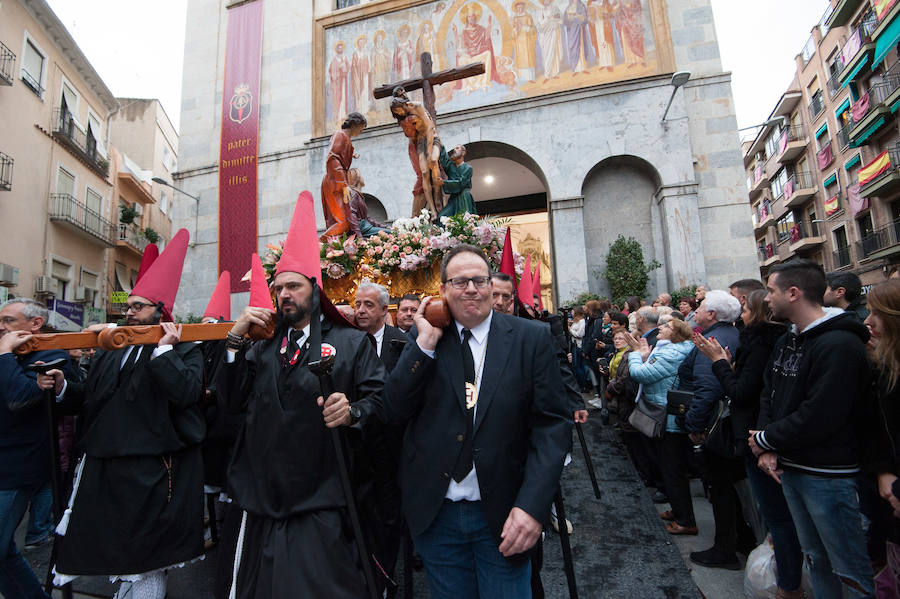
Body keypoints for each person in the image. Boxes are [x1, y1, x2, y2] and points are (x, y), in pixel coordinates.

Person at [352, 244, 572, 599]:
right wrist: (422, 345)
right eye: (460, 281)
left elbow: (551, 427)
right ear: (441, 291)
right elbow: (391, 412)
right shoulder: (422, 341)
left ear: (491, 285)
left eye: (479, 280)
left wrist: (533, 507)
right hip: (437, 517)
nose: (471, 288)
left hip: (505, 515)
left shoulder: (530, 339)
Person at [216, 193, 387, 598]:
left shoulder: (352, 343)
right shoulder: (259, 348)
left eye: (293, 286)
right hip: (262, 499)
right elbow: (230, 400)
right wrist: (233, 339)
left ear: (314, 288)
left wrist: (352, 411)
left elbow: (380, 401)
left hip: (322, 497)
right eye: (278, 289)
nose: (284, 295)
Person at [41, 230, 205, 599]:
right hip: (103, 469)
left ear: (160, 311)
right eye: (128, 306)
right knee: (109, 554)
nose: (128, 313)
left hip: (149, 472)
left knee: (146, 558)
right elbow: (91, 400)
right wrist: (63, 386)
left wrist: (164, 354)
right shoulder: (111, 348)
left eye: (138, 307)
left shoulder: (185, 349)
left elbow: (186, 393)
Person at [751, 259, 888, 598]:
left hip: (829, 475)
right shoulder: (788, 339)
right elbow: (770, 392)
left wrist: (767, 438)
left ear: (793, 293)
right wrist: (768, 445)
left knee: (848, 569)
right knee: (816, 560)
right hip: (792, 468)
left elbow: (821, 413)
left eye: (771, 291)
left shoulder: (839, 344)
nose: (766, 298)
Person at [695, 290, 802, 597]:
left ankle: (788, 585)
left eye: (746, 308)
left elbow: (743, 393)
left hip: (756, 437)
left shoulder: (760, 344)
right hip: (758, 435)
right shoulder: (764, 341)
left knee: (776, 518)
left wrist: (719, 363)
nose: (742, 314)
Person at [0, 298, 74, 599]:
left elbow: (19, 397)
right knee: (3, 552)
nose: (1, 327)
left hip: (16, 467)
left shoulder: (51, 354)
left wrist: (4, 355)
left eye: (8, 320)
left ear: (35, 324)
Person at [679, 290, 756, 569]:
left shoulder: (714, 340)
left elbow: (707, 386)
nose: (696, 312)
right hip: (729, 425)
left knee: (721, 488)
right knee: (731, 489)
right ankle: (742, 540)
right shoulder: (733, 335)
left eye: (700, 308)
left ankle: (725, 549)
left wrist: (695, 425)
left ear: (712, 314)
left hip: (718, 428)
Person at [354, 280, 408, 590]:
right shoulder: (345, 342)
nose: (361, 310)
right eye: (358, 304)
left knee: (388, 516)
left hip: (390, 447)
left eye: (368, 305)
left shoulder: (402, 343)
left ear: (384, 310)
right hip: (356, 446)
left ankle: (385, 576)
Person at [624, 319, 696, 534]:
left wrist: (636, 354)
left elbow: (640, 374)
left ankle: (686, 521)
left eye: (666, 327)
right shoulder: (671, 350)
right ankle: (678, 510)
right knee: (670, 468)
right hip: (667, 414)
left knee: (672, 469)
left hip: (668, 419)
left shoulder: (670, 354)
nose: (660, 329)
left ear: (675, 334)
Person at [321, 112, 367, 239]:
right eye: (361, 128)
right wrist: (344, 184)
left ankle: (332, 247)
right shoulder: (340, 135)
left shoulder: (345, 138)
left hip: (338, 180)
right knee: (342, 222)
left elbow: (339, 154)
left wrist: (351, 155)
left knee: (342, 222)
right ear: (356, 124)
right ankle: (318, 247)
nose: (361, 132)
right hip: (335, 181)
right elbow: (333, 158)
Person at [346, 168, 390, 238]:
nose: (363, 178)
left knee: (389, 232)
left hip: (365, 227)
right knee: (391, 234)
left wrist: (384, 227)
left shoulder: (357, 194)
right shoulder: (353, 193)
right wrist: (359, 236)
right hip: (362, 229)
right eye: (361, 176)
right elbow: (352, 215)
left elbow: (367, 218)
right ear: (357, 179)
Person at [438, 144, 476, 218]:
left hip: (463, 197)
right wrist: (441, 146)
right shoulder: (451, 166)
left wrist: (444, 182)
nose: (454, 150)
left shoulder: (468, 168)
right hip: (453, 198)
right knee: (441, 217)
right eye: (454, 148)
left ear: (463, 152)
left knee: (464, 221)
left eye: (457, 148)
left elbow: (461, 183)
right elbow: (444, 159)